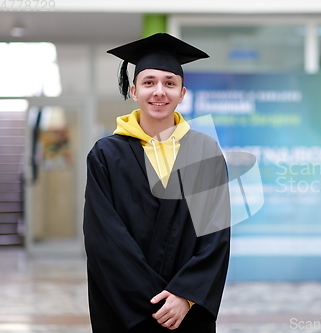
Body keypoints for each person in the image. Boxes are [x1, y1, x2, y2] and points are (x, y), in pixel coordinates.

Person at [83, 33, 231, 333]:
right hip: (124, 310)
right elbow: (104, 238)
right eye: (149, 82)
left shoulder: (204, 151)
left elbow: (216, 235)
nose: (159, 91)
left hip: (187, 312)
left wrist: (185, 295)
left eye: (169, 82)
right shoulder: (106, 155)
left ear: (182, 92)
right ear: (134, 91)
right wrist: (154, 302)